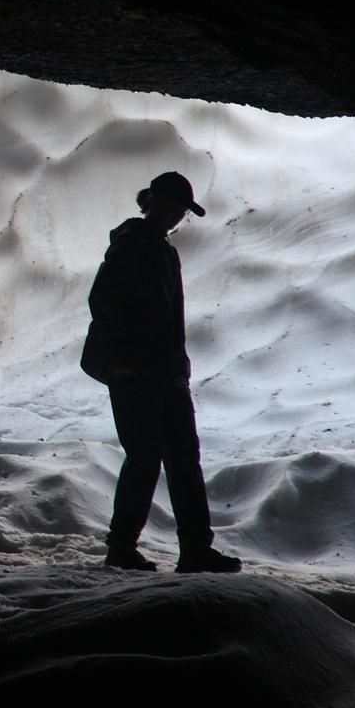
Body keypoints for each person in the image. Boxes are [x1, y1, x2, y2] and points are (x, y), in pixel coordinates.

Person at [83, 171, 241, 574]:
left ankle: (194, 550)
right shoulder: (133, 244)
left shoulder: (160, 249)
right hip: (136, 372)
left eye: (181, 211)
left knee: (182, 458)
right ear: (150, 201)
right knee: (146, 458)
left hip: (165, 373)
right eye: (171, 208)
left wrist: (177, 368)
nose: (175, 217)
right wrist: (118, 358)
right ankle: (122, 548)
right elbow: (103, 301)